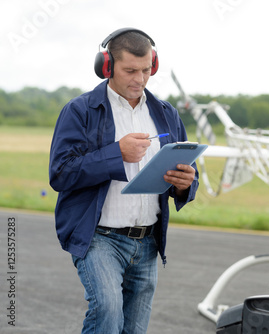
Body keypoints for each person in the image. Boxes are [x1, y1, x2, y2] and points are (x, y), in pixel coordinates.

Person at [49, 28, 199, 333]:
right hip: (99, 238)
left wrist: (186, 183)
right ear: (107, 67)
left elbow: (184, 172)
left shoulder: (167, 114)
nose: (140, 79)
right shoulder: (79, 111)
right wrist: (115, 153)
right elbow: (61, 173)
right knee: (106, 312)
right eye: (130, 70)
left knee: (134, 329)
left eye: (146, 70)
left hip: (147, 243)